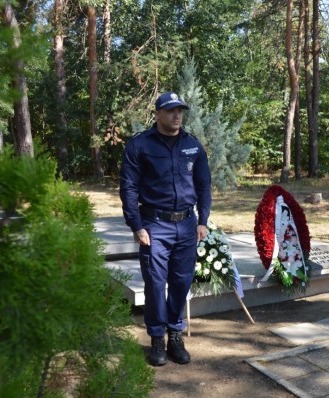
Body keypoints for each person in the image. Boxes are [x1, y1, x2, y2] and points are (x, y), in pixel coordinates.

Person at [119, 91, 212, 366]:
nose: (177, 115)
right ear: (157, 114)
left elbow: (204, 185)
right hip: (154, 225)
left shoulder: (193, 145)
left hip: (186, 224)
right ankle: (157, 338)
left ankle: (175, 334)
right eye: (171, 110)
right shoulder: (140, 146)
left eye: (180, 111)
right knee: (156, 284)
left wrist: (203, 220)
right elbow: (128, 188)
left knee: (182, 281)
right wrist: (136, 225)